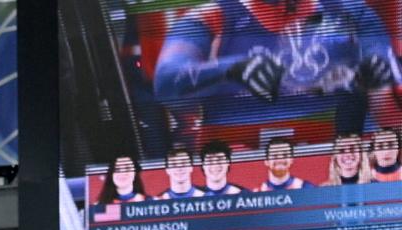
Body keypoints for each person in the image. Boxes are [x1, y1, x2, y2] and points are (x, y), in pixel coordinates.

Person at [153, 0, 398, 147]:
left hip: (338, 163)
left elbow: (387, 102)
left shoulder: (353, 11)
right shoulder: (211, 16)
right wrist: (232, 68)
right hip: (236, 167)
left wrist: (377, 74)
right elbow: (165, 81)